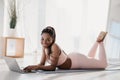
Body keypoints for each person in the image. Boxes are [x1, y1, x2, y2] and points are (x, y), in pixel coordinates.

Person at [23, 26, 108, 72]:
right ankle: (97, 42)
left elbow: (53, 67)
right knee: (89, 59)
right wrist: (32, 68)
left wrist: (36, 68)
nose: (44, 42)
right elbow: (41, 63)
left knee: (103, 65)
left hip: (76, 61)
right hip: (73, 58)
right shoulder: (45, 47)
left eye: (48, 39)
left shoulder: (54, 47)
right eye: (42, 39)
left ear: (53, 40)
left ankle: (100, 42)